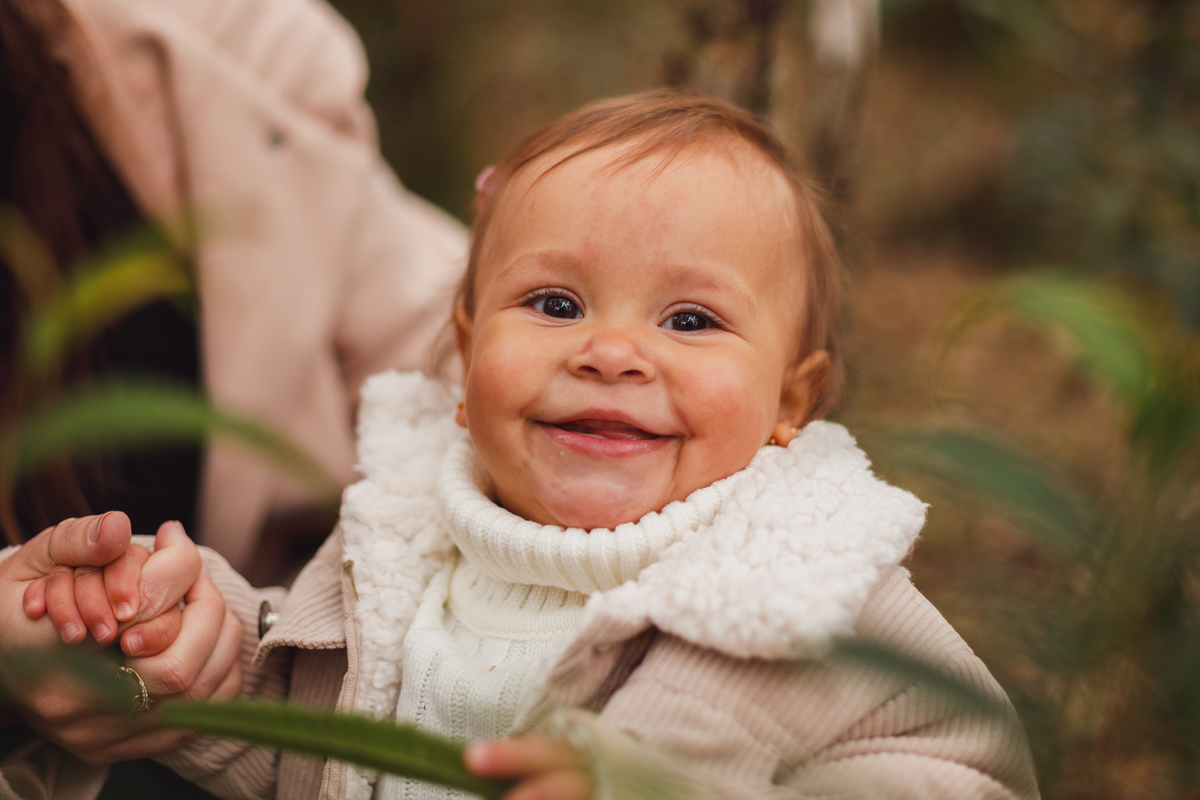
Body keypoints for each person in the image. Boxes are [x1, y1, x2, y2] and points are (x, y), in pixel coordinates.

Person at [17, 90, 1040, 799]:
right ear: (467, 357)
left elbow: (968, 774)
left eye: (690, 320)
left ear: (791, 400)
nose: (611, 352)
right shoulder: (402, 541)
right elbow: (310, 743)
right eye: (555, 303)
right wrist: (203, 657)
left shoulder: (812, 586)